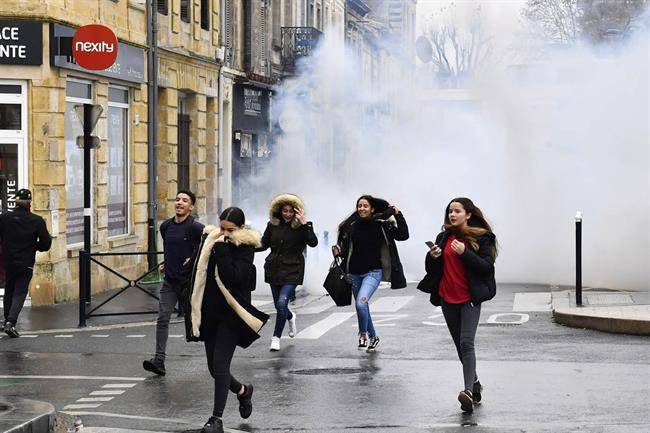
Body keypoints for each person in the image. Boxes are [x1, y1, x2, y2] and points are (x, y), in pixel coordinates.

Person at [187, 207, 269, 433]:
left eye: (229, 229)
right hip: (210, 313)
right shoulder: (211, 240)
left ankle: (216, 420)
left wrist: (222, 249)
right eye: (221, 227)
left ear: (240, 229)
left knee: (221, 365)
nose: (224, 233)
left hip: (232, 315)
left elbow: (233, 276)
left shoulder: (245, 247)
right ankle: (243, 391)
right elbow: (201, 270)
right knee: (214, 369)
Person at [421, 197, 497, 413]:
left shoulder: (483, 238)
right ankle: (474, 382)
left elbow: (486, 268)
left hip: (469, 298)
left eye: (457, 211)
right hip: (447, 297)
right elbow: (432, 270)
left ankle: (468, 393)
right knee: (459, 346)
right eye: (450, 212)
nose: (452, 215)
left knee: (466, 343)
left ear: (468, 214)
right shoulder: (443, 237)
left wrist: (465, 254)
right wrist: (433, 256)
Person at [333, 195, 409, 352]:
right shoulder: (352, 226)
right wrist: (339, 252)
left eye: (365, 206)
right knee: (363, 307)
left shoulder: (381, 225)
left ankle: (362, 334)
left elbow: (403, 235)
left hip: (372, 273)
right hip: (353, 274)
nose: (362, 208)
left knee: (361, 303)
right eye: (359, 206)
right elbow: (347, 251)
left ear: (372, 209)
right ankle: (373, 337)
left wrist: (398, 214)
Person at [143, 190, 204, 376]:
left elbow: (208, 244)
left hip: (189, 284)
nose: (179, 203)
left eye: (184, 201)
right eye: (177, 199)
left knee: (201, 322)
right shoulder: (166, 226)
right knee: (163, 318)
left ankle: (218, 356)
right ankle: (159, 360)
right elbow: (171, 248)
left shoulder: (195, 227)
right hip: (170, 283)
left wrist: (193, 259)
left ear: (191, 207)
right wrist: (166, 263)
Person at [258, 194, 318, 351]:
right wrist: (244, 243)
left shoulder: (302, 226)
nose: (288, 214)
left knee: (282, 302)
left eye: (291, 211)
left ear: (297, 212)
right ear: (279, 210)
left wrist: (305, 224)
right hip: (274, 269)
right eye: (285, 211)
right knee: (280, 306)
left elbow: (313, 243)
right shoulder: (272, 225)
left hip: (293, 270)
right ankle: (290, 317)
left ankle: (276, 338)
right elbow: (263, 244)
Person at [0, 188, 51, 338]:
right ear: (29, 202)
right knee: (20, 292)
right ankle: (11, 322)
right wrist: (35, 246)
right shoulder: (36, 221)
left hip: (9, 261)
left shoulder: (4, 218)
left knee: (9, 290)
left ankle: (5, 321)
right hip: (26, 262)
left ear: (15, 201)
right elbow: (46, 244)